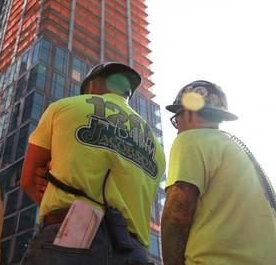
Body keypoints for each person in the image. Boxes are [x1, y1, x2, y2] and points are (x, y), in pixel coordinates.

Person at [20, 62, 165, 264]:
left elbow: (27, 180)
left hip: (70, 237)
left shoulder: (64, 108)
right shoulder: (156, 147)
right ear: (128, 93)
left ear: (92, 87)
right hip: (131, 252)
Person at [162, 80, 276, 265]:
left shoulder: (190, 140)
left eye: (176, 119)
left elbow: (178, 212)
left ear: (189, 112)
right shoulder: (241, 156)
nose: (177, 129)